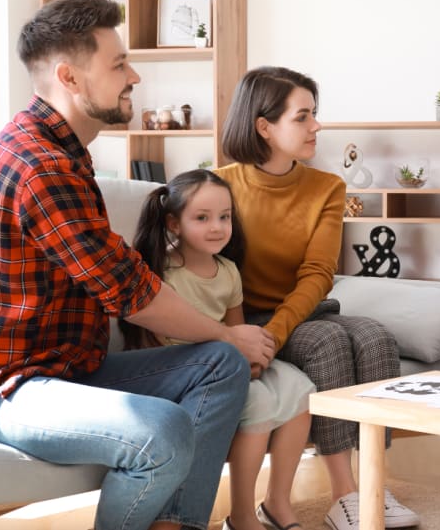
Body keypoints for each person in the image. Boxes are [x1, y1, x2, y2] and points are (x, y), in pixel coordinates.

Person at [0, 0, 275, 530]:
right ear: (70, 77)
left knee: (220, 366)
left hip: (64, 371)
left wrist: (226, 343)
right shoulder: (39, 166)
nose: (135, 77)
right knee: (162, 431)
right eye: (119, 65)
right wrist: (228, 332)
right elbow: (130, 292)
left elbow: (121, 276)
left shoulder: (64, 152)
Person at [214, 66, 420, 530]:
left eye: (315, 114)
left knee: (376, 338)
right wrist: (249, 336)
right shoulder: (219, 185)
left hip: (298, 313)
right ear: (264, 126)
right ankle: (344, 493)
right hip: (247, 318)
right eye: (303, 116)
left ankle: (372, 484)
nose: (317, 126)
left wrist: (274, 335)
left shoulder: (327, 187)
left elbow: (318, 274)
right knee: (328, 342)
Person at [122, 169, 316, 530]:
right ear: (174, 223)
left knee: (301, 389)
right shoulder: (161, 272)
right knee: (259, 402)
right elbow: (153, 343)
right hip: (185, 371)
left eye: (224, 217)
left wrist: (254, 358)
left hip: (228, 360)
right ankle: (242, 515)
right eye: (202, 218)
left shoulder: (228, 271)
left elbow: (236, 331)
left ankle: (277, 502)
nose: (217, 227)